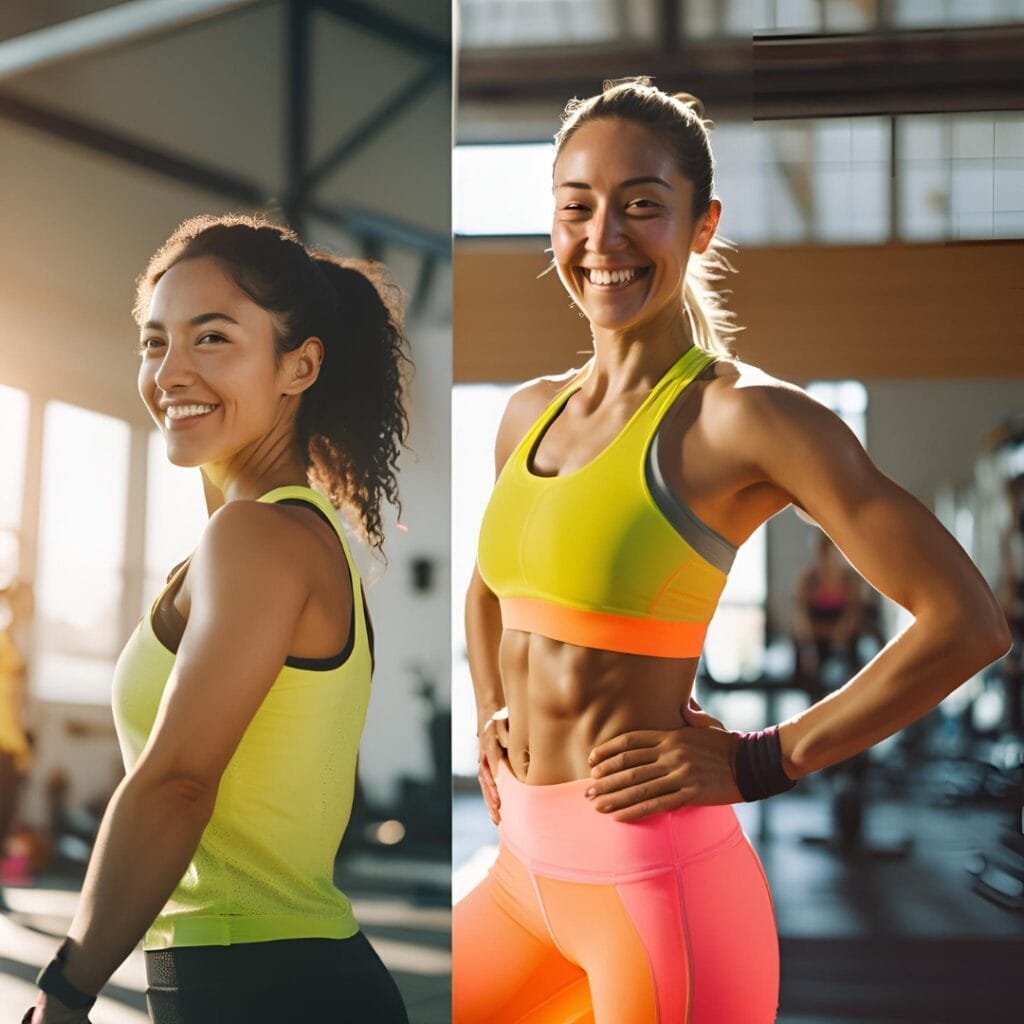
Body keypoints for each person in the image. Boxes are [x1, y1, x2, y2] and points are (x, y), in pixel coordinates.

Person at [452, 78, 1011, 1023]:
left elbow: (967, 623)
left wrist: (766, 760)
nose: (604, 238)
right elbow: (487, 592)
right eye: (576, 209)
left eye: (641, 207)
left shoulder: (743, 420)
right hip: (520, 873)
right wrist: (490, 711)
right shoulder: (524, 415)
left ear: (702, 224)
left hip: (654, 884)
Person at [24, 214, 412, 1024]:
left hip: (265, 988)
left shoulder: (260, 535)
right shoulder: (260, 536)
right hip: (256, 977)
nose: (170, 371)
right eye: (154, 341)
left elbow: (176, 784)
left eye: (212, 339)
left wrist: (64, 991)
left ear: (299, 366)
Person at [793, 531, 864, 691]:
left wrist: (839, 635)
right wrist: (810, 646)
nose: (827, 559)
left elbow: (852, 617)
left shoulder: (850, 580)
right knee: (809, 663)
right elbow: (801, 621)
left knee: (851, 663)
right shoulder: (807, 579)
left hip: (842, 636)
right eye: (822, 552)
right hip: (816, 638)